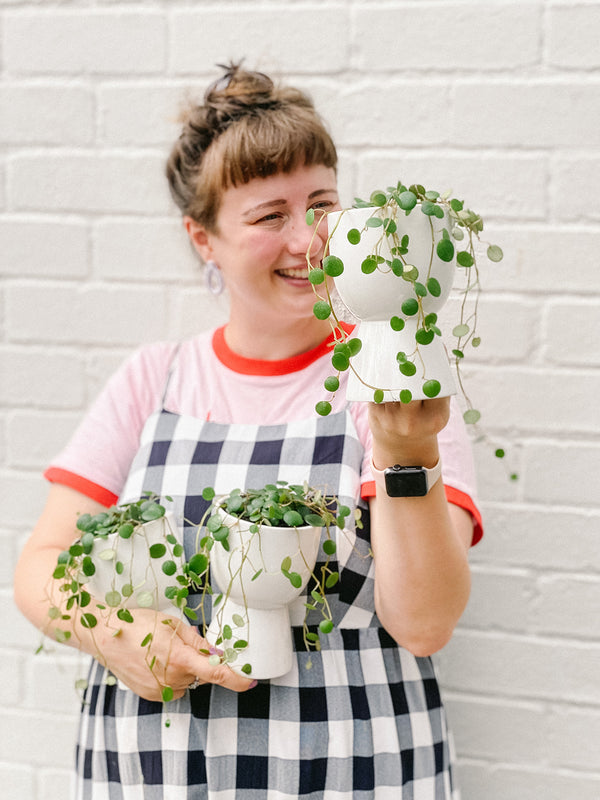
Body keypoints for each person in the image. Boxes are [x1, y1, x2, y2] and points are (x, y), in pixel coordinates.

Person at [14, 62, 482, 799]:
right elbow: (41, 565)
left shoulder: (391, 384)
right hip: (154, 774)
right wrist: (108, 629)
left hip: (354, 771)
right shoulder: (153, 380)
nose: (310, 240)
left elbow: (423, 624)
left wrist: (405, 452)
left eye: (323, 204)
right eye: (271, 216)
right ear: (204, 239)